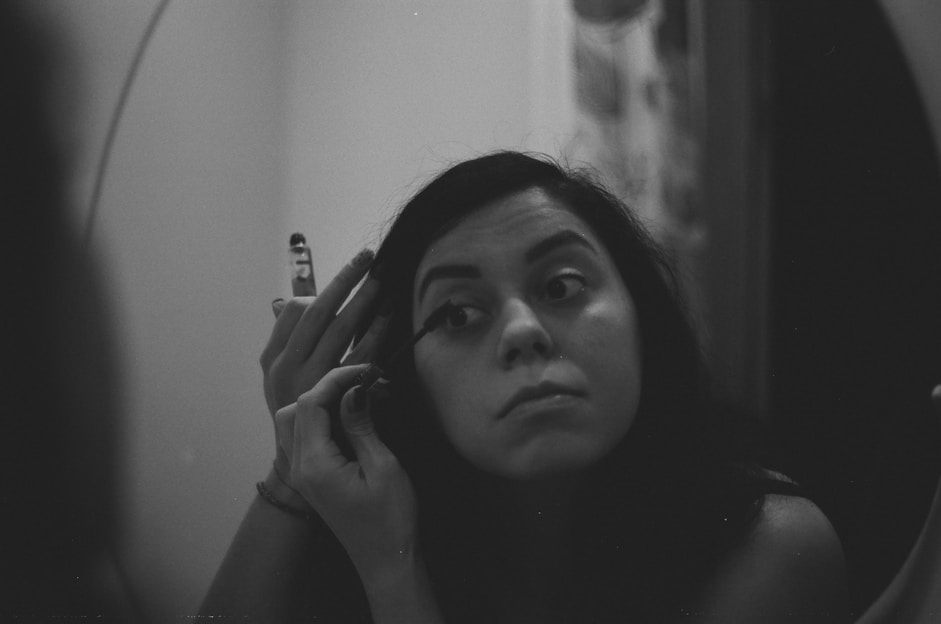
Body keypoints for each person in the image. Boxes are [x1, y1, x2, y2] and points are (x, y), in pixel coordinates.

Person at [200, 150, 875, 623]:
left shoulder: (769, 545)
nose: (522, 331)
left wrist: (393, 577)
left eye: (560, 286)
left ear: (641, 317)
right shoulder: (366, 525)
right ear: (401, 380)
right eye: (456, 314)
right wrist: (294, 466)